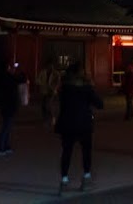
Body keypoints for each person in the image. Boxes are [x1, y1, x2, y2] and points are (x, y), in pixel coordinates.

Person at [55, 61, 103, 194]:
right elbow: (100, 104)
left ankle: (64, 180)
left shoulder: (64, 88)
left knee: (66, 152)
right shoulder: (86, 89)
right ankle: (86, 177)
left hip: (67, 123)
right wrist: (91, 86)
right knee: (86, 151)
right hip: (84, 124)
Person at [0, 60, 20, 156]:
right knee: (6, 127)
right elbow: (14, 89)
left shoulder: (2, 78)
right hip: (8, 105)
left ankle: (5, 146)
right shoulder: (8, 78)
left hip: (5, 105)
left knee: (7, 126)